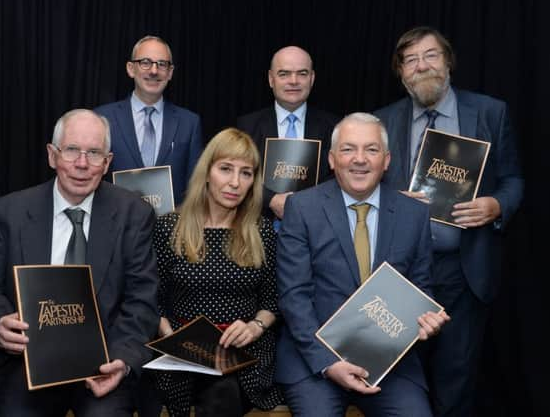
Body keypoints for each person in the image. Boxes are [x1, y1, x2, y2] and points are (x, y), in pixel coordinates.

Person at [0, 109, 159, 417]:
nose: (82, 164)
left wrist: (122, 360)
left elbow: (142, 302)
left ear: (107, 163)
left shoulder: (134, 215)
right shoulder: (7, 214)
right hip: (27, 364)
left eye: (94, 153)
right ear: (52, 155)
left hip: (104, 362)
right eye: (71, 151)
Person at [374, 26, 524, 417]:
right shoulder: (382, 120)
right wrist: (391, 200)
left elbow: (514, 179)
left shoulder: (490, 111)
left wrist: (497, 205)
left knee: (456, 379)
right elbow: (361, 187)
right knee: (400, 376)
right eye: (411, 60)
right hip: (401, 272)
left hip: (464, 268)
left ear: (448, 62)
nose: (422, 66)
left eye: (431, 55)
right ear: (401, 72)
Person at [276, 113, 449, 417]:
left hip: (390, 363)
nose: (359, 159)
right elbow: (294, 296)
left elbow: (421, 287)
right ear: (331, 159)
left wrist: (426, 321)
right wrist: (328, 363)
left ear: (387, 160)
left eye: (371, 149)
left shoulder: (414, 214)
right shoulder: (302, 208)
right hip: (314, 359)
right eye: (348, 149)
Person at [149, 128, 283, 417]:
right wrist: (172, 338)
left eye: (246, 173)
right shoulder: (168, 227)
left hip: (243, 354)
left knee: (222, 393)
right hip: (179, 351)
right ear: (207, 172)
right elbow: (152, 298)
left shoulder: (261, 231)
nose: (235, 182)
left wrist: (254, 327)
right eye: (226, 169)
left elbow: (271, 302)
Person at [237, 45, 339, 227]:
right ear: (271, 79)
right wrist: (271, 199)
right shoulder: (247, 126)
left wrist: (304, 202)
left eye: (302, 73)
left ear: (312, 78)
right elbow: (238, 174)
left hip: (317, 228)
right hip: (257, 228)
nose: (294, 81)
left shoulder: (334, 127)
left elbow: (339, 175)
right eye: (284, 74)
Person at [95, 35, 203, 205]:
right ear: (131, 69)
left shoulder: (189, 123)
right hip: (115, 226)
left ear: (170, 72)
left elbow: (195, 186)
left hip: (172, 227)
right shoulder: (102, 119)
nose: (154, 71)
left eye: (162, 64)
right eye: (145, 62)